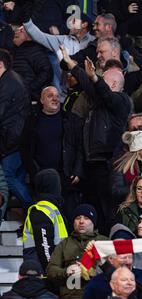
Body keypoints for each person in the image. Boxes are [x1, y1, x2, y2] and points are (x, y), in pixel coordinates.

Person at [61, 45, 131, 235]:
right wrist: (71, 64)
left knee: (108, 213)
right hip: (92, 164)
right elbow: (87, 82)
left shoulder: (122, 101)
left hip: (109, 165)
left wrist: (93, 77)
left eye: (102, 80)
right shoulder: (98, 99)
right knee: (94, 212)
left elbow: (104, 92)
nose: (97, 83)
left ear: (115, 85)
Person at [20, 86, 84, 216]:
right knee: (44, 216)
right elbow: (25, 149)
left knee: (66, 216)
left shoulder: (70, 119)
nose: (55, 98)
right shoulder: (32, 120)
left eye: (57, 95)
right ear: (42, 100)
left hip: (66, 177)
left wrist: (78, 170)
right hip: (41, 177)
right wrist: (34, 172)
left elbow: (80, 147)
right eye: (50, 96)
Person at [46, 204, 109, 299]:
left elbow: (117, 270)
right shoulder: (64, 244)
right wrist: (66, 271)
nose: (81, 221)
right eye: (78, 218)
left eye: (86, 218)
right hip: (71, 296)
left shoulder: (104, 242)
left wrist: (93, 271)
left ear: (93, 222)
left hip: (99, 295)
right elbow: (50, 270)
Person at [0, 49, 32, 210]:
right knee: (15, 179)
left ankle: (32, 208)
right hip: (20, 139)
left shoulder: (7, 84)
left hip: (13, 141)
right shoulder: (13, 79)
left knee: (6, 176)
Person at [22, 169, 68, 271]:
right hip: (41, 271)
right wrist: (50, 271)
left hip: (51, 267)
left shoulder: (52, 208)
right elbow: (45, 247)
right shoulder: (41, 210)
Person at [112, 131, 142, 207]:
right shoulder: (120, 166)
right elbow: (116, 191)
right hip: (127, 209)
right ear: (138, 149)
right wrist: (137, 187)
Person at [11, 25, 53, 101]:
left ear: (30, 36)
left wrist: (28, 88)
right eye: (16, 30)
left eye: (21, 31)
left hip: (30, 98)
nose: (16, 32)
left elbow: (47, 72)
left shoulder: (34, 49)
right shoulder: (12, 50)